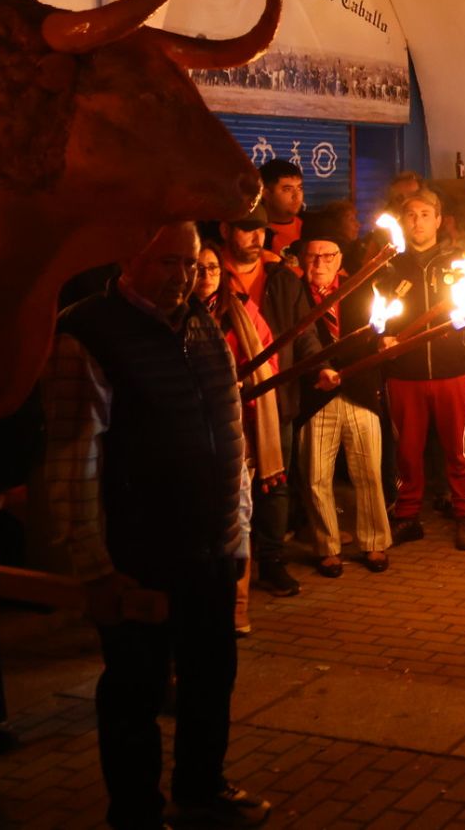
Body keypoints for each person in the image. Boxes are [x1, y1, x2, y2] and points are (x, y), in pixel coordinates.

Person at [39, 222, 269, 829]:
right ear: (129, 257)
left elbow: (230, 433)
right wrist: (93, 565)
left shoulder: (200, 323)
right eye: (169, 264)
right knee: (135, 691)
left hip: (210, 546)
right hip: (139, 551)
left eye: (191, 265)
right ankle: (136, 813)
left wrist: (237, 528)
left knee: (210, 676)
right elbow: (73, 458)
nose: (184, 278)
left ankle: (201, 785)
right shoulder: (88, 332)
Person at [219, 205, 319, 598]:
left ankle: (273, 560)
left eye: (260, 230)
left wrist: (319, 367)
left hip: (278, 396)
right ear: (226, 229)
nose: (255, 238)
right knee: (229, 486)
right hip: (226, 401)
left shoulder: (281, 278)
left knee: (275, 482)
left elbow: (304, 330)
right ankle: (231, 567)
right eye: (246, 230)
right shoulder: (209, 275)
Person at [378, 189, 465, 551]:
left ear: (439, 219)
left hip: (453, 369)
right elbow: (373, 315)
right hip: (404, 373)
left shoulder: (459, 262)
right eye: (410, 215)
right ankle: (407, 515)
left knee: (459, 447)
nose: (417, 221)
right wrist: (383, 337)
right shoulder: (389, 265)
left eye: (425, 214)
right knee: (406, 450)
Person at [292, 224, 392, 578]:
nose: (320, 263)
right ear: (303, 259)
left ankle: (375, 541)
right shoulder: (295, 293)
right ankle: (327, 546)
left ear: (340, 259)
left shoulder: (361, 287)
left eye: (328, 255)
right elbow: (297, 339)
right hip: (316, 397)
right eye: (313, 255)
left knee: (368, 473)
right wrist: (318, 370)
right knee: (316, 476)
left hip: (359, 392)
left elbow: (376, 329)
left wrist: (383, 342)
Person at [194, 240, 278, 637]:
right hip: (191, 436)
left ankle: (238, 605)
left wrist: (244, 379)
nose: (205, 276)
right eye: (197, 268)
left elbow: (267, 358)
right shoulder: (174, 316)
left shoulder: (242, 314)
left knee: (239, 518)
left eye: (212, 268)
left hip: (234, 432)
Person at [258, 160, 305, 266]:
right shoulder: (255, 235)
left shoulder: (311, 227)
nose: (296, 196)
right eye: (287, 189)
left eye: (300, 188)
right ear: (265, 193)